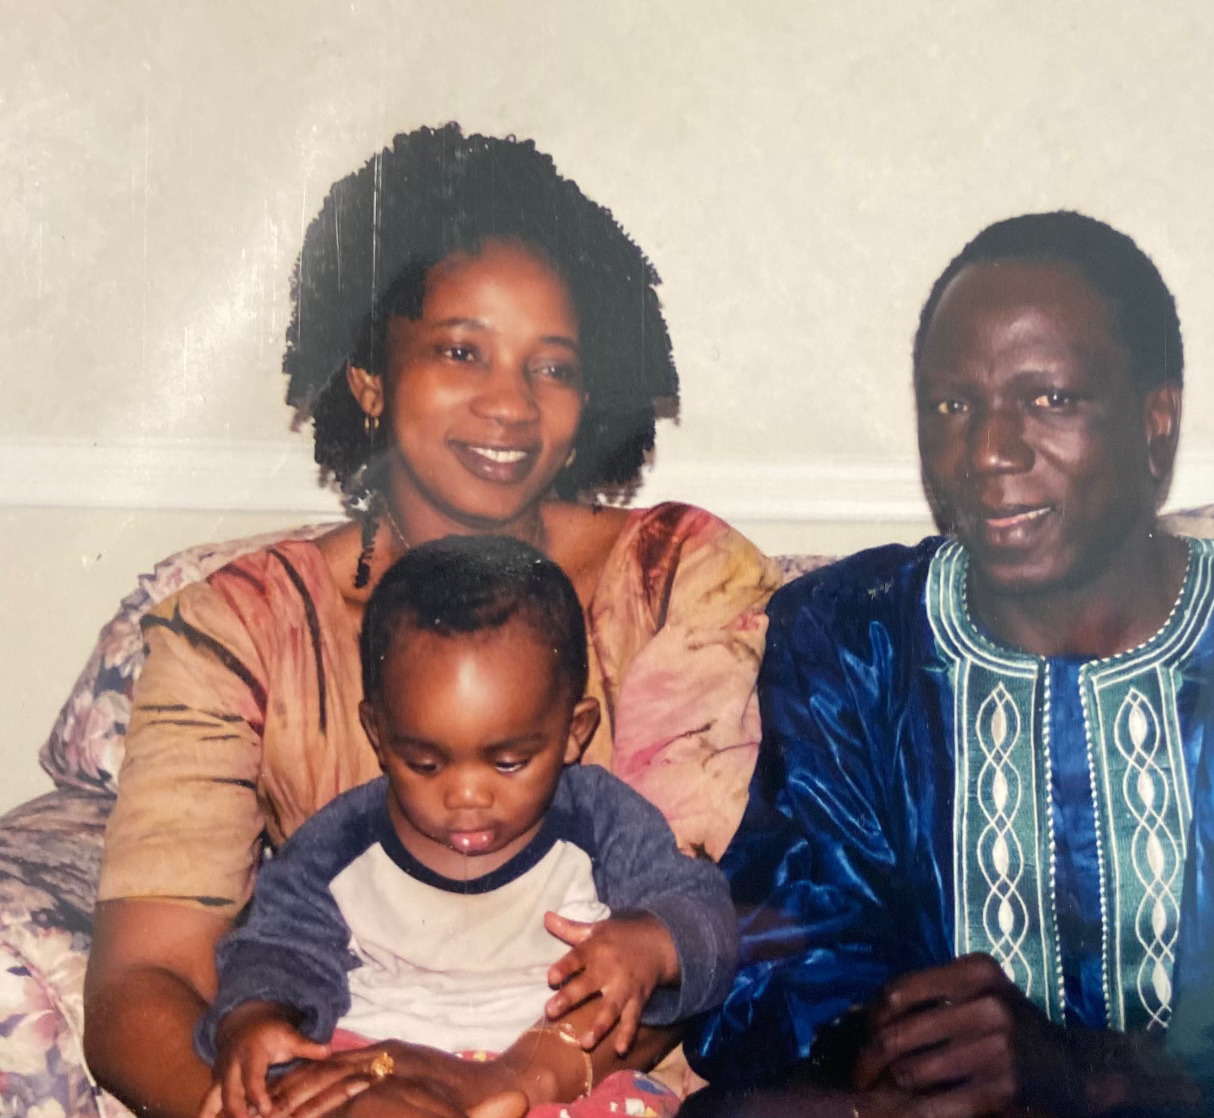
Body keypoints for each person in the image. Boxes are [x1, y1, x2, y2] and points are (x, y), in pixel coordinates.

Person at [687, 212, 1214, 1117]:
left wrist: (1097, 1081)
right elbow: (784, 951)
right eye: (953, 406)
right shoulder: (856, 639)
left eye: (1052, 400)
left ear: (1156, 421)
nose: (990, 451)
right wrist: (916, 1053)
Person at [84, 123, 781, 1118]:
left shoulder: (678, 578)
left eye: (553, 366)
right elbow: (140, 983)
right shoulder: (237, 628)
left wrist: (500, 1087)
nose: (511, 404)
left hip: (583, 1086)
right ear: (369, 376)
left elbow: (672, 926)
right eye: (462, 350)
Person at [199, 535, 736, 1118]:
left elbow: (707, 915)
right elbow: (274, 952)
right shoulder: (339, 845)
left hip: (549, 1077)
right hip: (378, 1066)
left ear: (575, 732)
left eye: (509, 762)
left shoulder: (601, 821)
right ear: (378, 734)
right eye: (425, 764)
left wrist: (653, 939)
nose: (467, 795)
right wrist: (253, 1020)